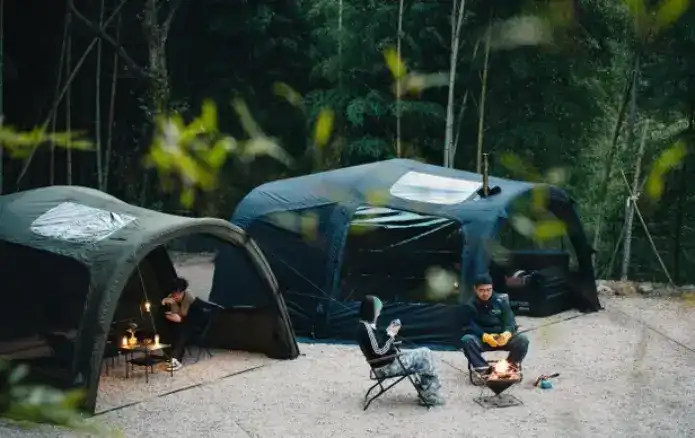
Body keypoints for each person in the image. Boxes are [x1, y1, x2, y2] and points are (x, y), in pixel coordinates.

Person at [356, 295, 445, 406]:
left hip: (385, 362)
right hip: (386, 367)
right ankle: (429, 395)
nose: (379, 313)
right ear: (371, 311)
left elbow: (378, 345)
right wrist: (391, 333)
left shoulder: (364, 326)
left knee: (424, 354)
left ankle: (426, 392)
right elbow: (379, 350)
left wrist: (389, 332)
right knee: (425, 354)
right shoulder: (367, 329)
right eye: (377, 310)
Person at [459, 274, 529, 375]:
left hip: (501, 338)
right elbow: (468, 325)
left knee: (523, 339)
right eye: (481, 290)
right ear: (475, 289)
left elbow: (510, 321)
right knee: (467, 340)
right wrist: (484, 336)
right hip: (482, 339)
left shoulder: (501, 301)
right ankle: (483, 369)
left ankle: (509, 366)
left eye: (488, 290)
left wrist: (507, 333)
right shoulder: (469, 304)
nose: (485, 293)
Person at [161, 276, 197, 371]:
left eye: (177, 293)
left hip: (191, 323)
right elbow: (169, 312)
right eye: (174, 293)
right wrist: (164, 302)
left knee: (181, 331)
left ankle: (176, 359)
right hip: (177, 322)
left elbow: (187, 315)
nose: (175, 296)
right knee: (166, 328)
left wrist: (180, 318)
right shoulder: (171, 297)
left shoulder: (189, 298)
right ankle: (169, 355)